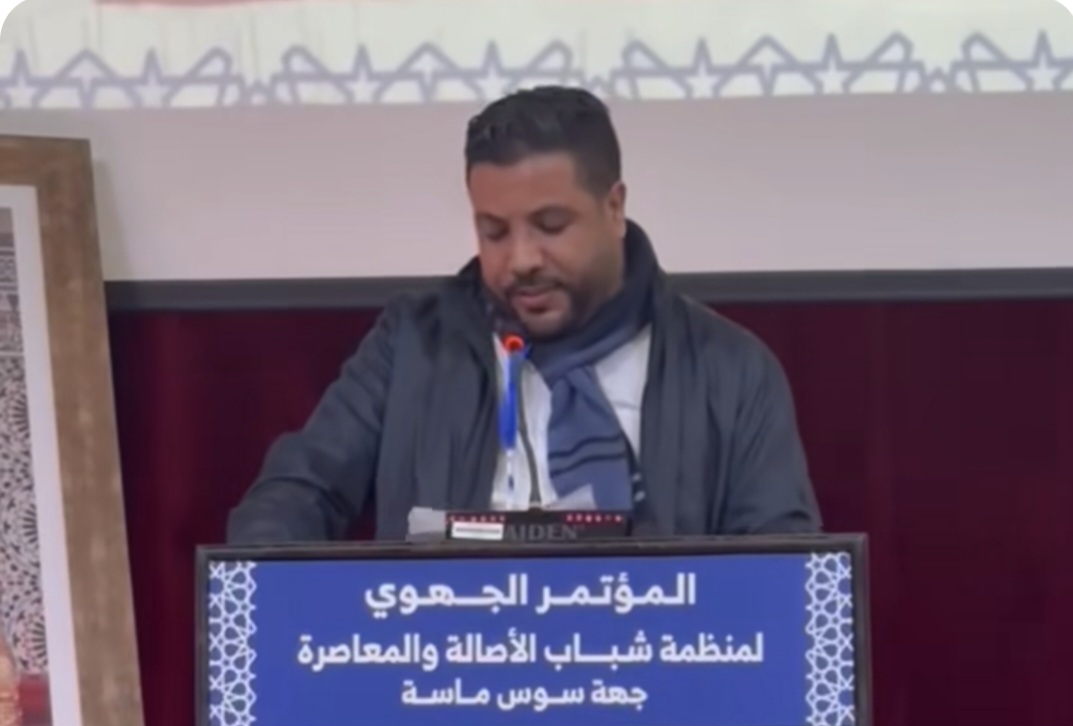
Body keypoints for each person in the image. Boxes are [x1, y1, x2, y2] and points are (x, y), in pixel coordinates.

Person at [227, 86, 820, 544]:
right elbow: (298, 491)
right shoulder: (412, 344)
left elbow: (783, 572)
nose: (521, 260)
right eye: (494, 232)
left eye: (551, 226)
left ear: (614, 208)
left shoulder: (731, 370)